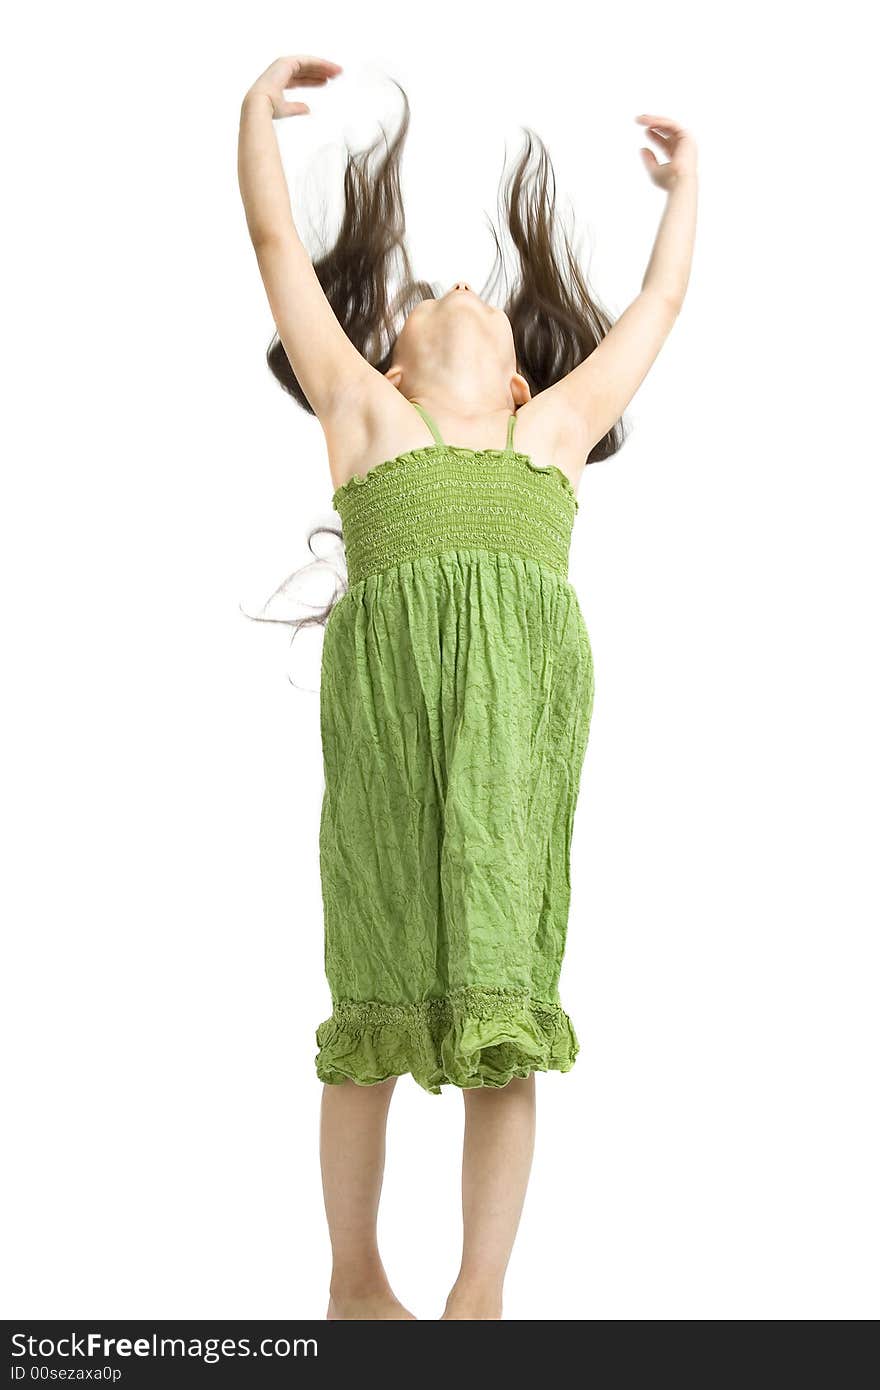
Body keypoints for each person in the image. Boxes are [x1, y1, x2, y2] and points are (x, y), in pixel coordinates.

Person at [238, 53, 698, 1320]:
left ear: (515, 382)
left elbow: (654, 311)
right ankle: (353, 1275)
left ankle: (479, 1288)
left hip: (514, 741)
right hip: (388, 744)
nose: (451, 285)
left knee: (503, 991)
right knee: (375, 982)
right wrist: (252, 125)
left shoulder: (552, 432)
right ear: (386, 367)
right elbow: (277, 245)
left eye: (473, 294)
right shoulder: (362, 420)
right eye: (427, 295)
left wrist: (683, 190)